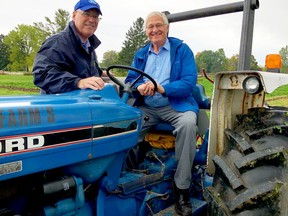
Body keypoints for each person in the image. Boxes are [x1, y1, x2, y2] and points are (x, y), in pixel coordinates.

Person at [125, 11, 199, 216]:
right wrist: (139, 87)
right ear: (146, 31)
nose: (155, 30)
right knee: (123, 126)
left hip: (175, 105)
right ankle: (123, 173)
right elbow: (131, 79)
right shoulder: (141, 54)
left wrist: (162, 88)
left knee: (187, 124)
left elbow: (188, 82)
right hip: (147, 107)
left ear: (167, 28)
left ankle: (182, 188)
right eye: (150, 27)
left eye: (159, 25)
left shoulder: (182, 50)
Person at [32, 0, 105, 94]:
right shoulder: (58, 42)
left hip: (83, 105)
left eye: (95, 16)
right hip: (60, 106)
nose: (91, 20)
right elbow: (42, 74)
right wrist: (78, 82)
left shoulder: (89, 46)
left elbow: (83, 71)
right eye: (86, 14)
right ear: (74, 15)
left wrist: (101, 73)